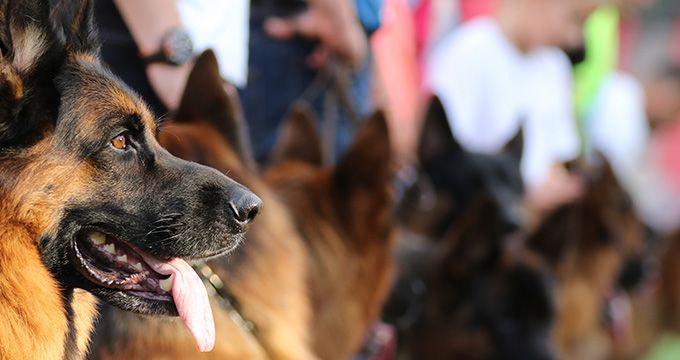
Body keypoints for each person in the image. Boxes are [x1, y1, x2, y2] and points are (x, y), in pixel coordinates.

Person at [426, 0, 583, 214]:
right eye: (572, 19)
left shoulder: (555, 67)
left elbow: (562, 155)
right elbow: (448, 161)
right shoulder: (470, 51)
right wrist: (524, 194)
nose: (573, 38)